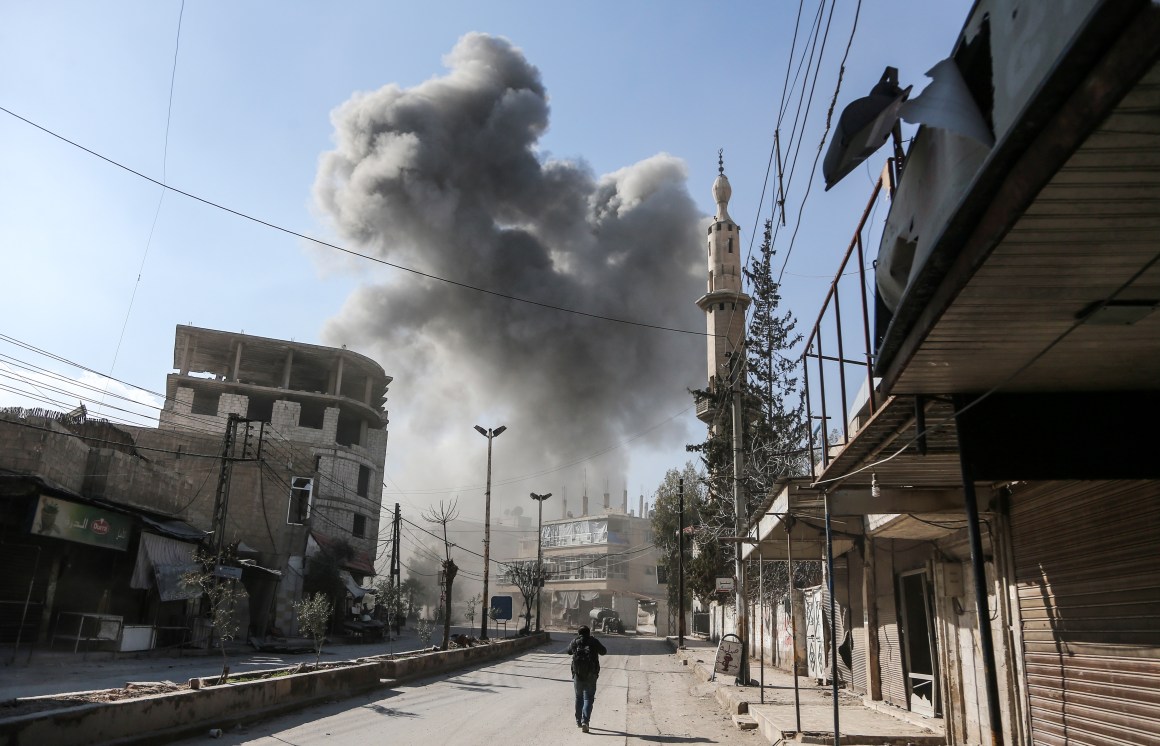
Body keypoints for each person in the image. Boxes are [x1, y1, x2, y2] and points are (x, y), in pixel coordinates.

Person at [567, 625, 607, 732]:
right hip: (591, 674)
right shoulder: (593, 641)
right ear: (589, 633)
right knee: (588, 698)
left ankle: (578, 720)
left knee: (578, 697)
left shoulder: (575, 641)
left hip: (577, 674)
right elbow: (604, 651)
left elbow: (568, 651)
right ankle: (585, 721)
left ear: (579, 633)